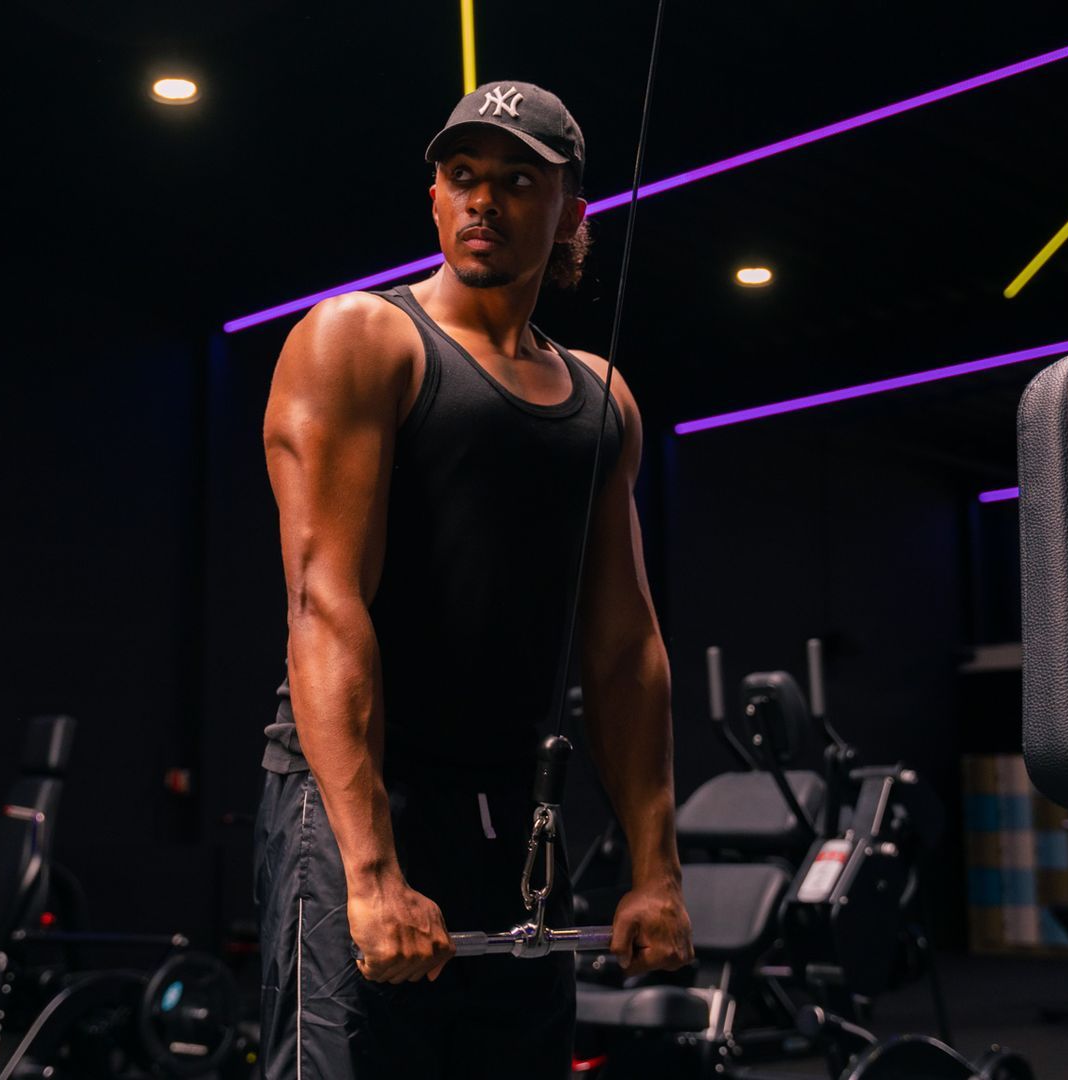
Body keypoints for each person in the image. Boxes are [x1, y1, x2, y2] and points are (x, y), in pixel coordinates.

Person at [253, 81, 694, 1080]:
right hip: (362, 798)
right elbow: (325, 606)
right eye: (461, 178)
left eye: (515, 181)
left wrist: (654, 872)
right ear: (435, 199)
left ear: (573, 210)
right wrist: (371, 875)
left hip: (514, 810)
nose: (482, 202)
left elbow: (625, 648)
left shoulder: (602, 396)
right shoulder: (362, 340)